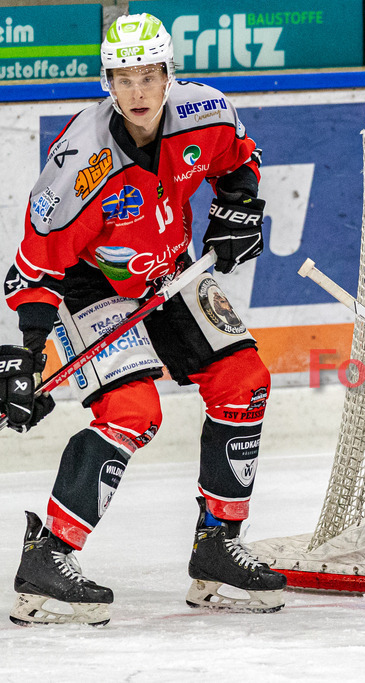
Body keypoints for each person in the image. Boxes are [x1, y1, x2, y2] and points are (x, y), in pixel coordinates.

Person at [0, 13, 285, 626]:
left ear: (167, 73)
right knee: (133, 412)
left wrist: (238, 210)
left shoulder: (204, 113)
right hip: (90, 284)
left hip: (168, 268)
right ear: (108, 80)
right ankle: (46, 559)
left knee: (245, 381)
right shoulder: (80, 164)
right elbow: (34, 267)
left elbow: (239, 161)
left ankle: (218, 548)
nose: (137, 90)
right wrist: (24, 354)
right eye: (123, 77)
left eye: (148, 74)